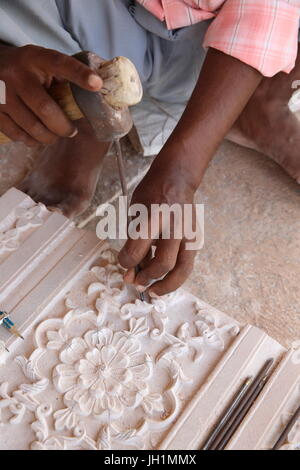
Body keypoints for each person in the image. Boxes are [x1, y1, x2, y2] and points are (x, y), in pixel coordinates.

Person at [0, 0, 299, 296]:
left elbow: (268, 13)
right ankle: (85, 111)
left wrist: (182, 170)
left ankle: (259, 98)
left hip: (204, 41)